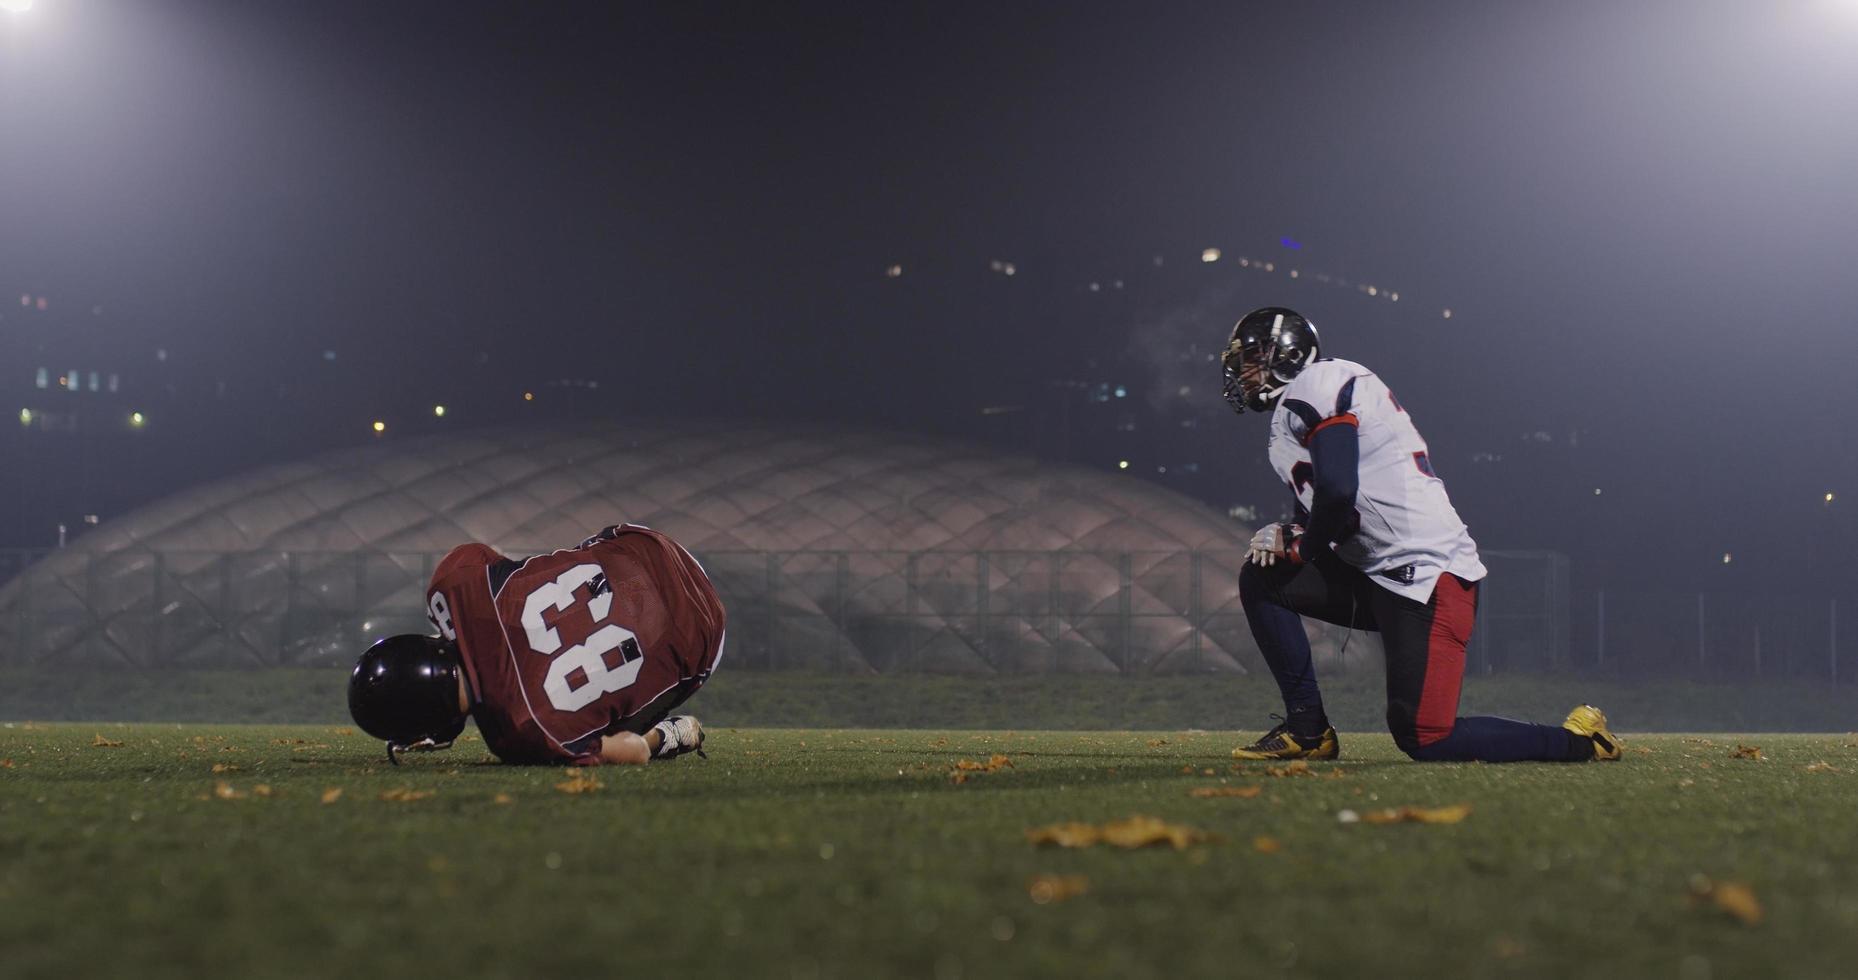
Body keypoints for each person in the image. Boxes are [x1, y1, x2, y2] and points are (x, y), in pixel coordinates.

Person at [1220, 306, 1620, 763]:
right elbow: (1326, 503)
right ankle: (1307, 729)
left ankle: (1581, 741)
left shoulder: (1318, 382)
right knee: (1263, 575)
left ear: (1288, 354)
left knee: (1426, 736)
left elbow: (1338, 491)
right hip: (1376, 573)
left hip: (1428, 578)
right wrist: (1289, 533)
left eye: (1253, 356)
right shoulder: (1291, 414)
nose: (1244, 371)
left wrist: (1304, 548)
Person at [348, 523, 725, 765]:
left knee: (595, 736)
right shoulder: (453, 583)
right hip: (650, 547)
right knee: (529, 575)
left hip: (703, 633)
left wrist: (656, 742)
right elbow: (480, 559)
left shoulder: (519, 734)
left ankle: (671, 733)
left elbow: (632, 752)